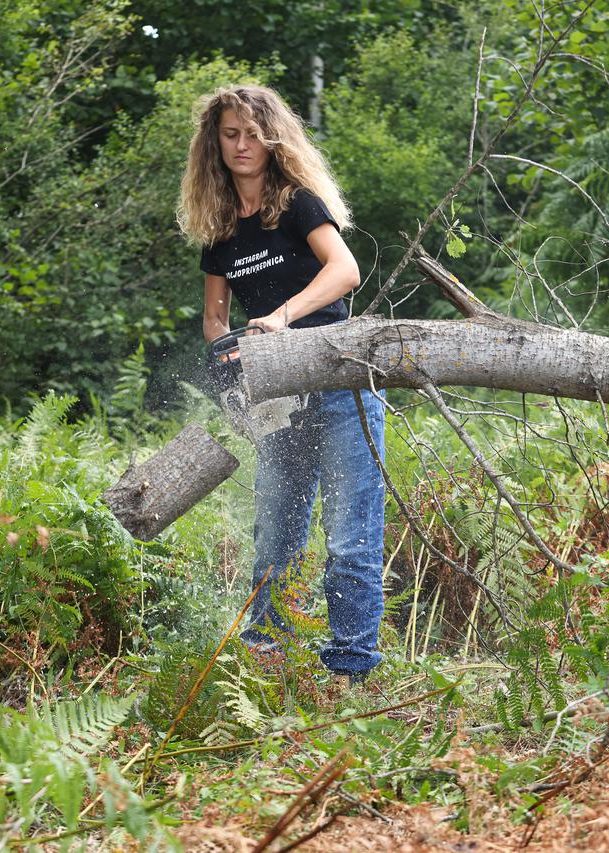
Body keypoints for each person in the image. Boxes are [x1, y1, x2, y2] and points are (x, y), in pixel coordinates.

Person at [177, 85, 386, 685]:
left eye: (252, 133)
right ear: (214, 143)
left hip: (340, 380)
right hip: (278, 400)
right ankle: (268, 663)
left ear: (272, 138)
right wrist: (227, 368)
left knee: (350, 540)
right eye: (229, 134)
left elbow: (345, 271)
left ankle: (348, 676)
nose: (242, 146)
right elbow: (215, 319)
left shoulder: (297, 203)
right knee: (276, 538)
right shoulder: (219, 231)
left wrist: (281, 317)